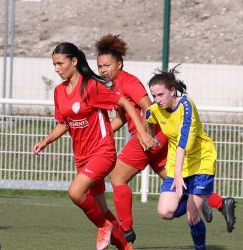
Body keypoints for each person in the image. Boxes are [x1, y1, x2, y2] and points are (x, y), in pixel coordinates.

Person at [95, 34, 236, 242]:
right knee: (177, 185)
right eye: (99, 66)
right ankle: (220, 203)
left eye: (107, 65)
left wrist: (145, 136)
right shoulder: (115, 86)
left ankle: (126, 231)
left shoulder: (129, 83)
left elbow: (149, 110)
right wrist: (100, 135)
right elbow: (122, 117)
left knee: (117, 177)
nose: (103, 70)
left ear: (120, 64)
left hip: (148, 138)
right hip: (153, 139)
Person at [33, 42, 155, 250]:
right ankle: (125, 246)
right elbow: (64, 122)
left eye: (60, 63)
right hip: (81, 157)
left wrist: (143, 132)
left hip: (102, 152)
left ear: (74, 61)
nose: (57, 69)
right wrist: (47, 140)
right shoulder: (59, 92)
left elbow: (125, 103)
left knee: (75, 192)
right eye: (54, 65)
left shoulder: (91, 86)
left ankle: (103, 227)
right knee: (101, 209)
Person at [145, 66, 235, 249]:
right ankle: (202, 200)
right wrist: (150, 136)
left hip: (201, 160)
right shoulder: (155, 109)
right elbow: (148, 118)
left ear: (172, 90)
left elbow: (182, 143)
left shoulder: (187, 106)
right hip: (176, 162)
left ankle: (200, 247)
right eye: (154, 96)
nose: (157, 100)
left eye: (161, 94)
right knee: (165, 212)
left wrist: (178, 175)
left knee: (192, 216)